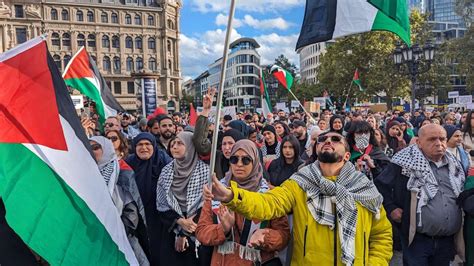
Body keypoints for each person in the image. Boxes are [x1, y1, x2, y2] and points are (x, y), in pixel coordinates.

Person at [204, 131, 393, 265]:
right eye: (322, 139)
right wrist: (231, 196)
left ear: (346, 156)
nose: (328, 141)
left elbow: (382, 235)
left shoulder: (364, 188)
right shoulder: (299, 183)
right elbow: (268, 202)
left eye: (335, 139)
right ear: (316, 149)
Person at [375, 124, 465, 266]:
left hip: (447, 240)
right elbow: (380, 185)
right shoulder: (403, 163)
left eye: (442, 139)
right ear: (418, 142)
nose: (438, 143)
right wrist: (391, 208)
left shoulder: (455, 165)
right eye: (432, 139)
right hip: (417, 240)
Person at [196, 140, 290, 266]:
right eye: (234, 159)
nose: (239, 164)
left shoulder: (270, 193)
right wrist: (223, 229)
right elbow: (201, 232)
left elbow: (283, 235)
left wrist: (265, 237)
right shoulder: (217, 191)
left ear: (255, 161)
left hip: (257, 261)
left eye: (246, 160)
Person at [89, 136, 150, 265]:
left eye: (96, 148)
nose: (92, 151)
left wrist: (119, 230)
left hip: (121, 235)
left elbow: (131, 209)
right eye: (89, 148)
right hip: (93, 235)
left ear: (107, 150)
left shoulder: (122, 173)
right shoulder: (84, 173)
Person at [156, 132, 209, 265]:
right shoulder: (166, 171)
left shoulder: (205, 172)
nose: (174, 147)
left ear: (190, 146)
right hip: (172, 227)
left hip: (198, 228)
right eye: (173, 144)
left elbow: (208, 205)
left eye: (180, 143)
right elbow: (161, 205)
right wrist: (180, 222)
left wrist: (184, 233)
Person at [126, 133, 172, 265]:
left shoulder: (165, 162)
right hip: (137, 218)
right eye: (140, 144)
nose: (144, 148)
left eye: (148, 144)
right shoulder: (129, 163)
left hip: (161, 219)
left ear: (154, 145)